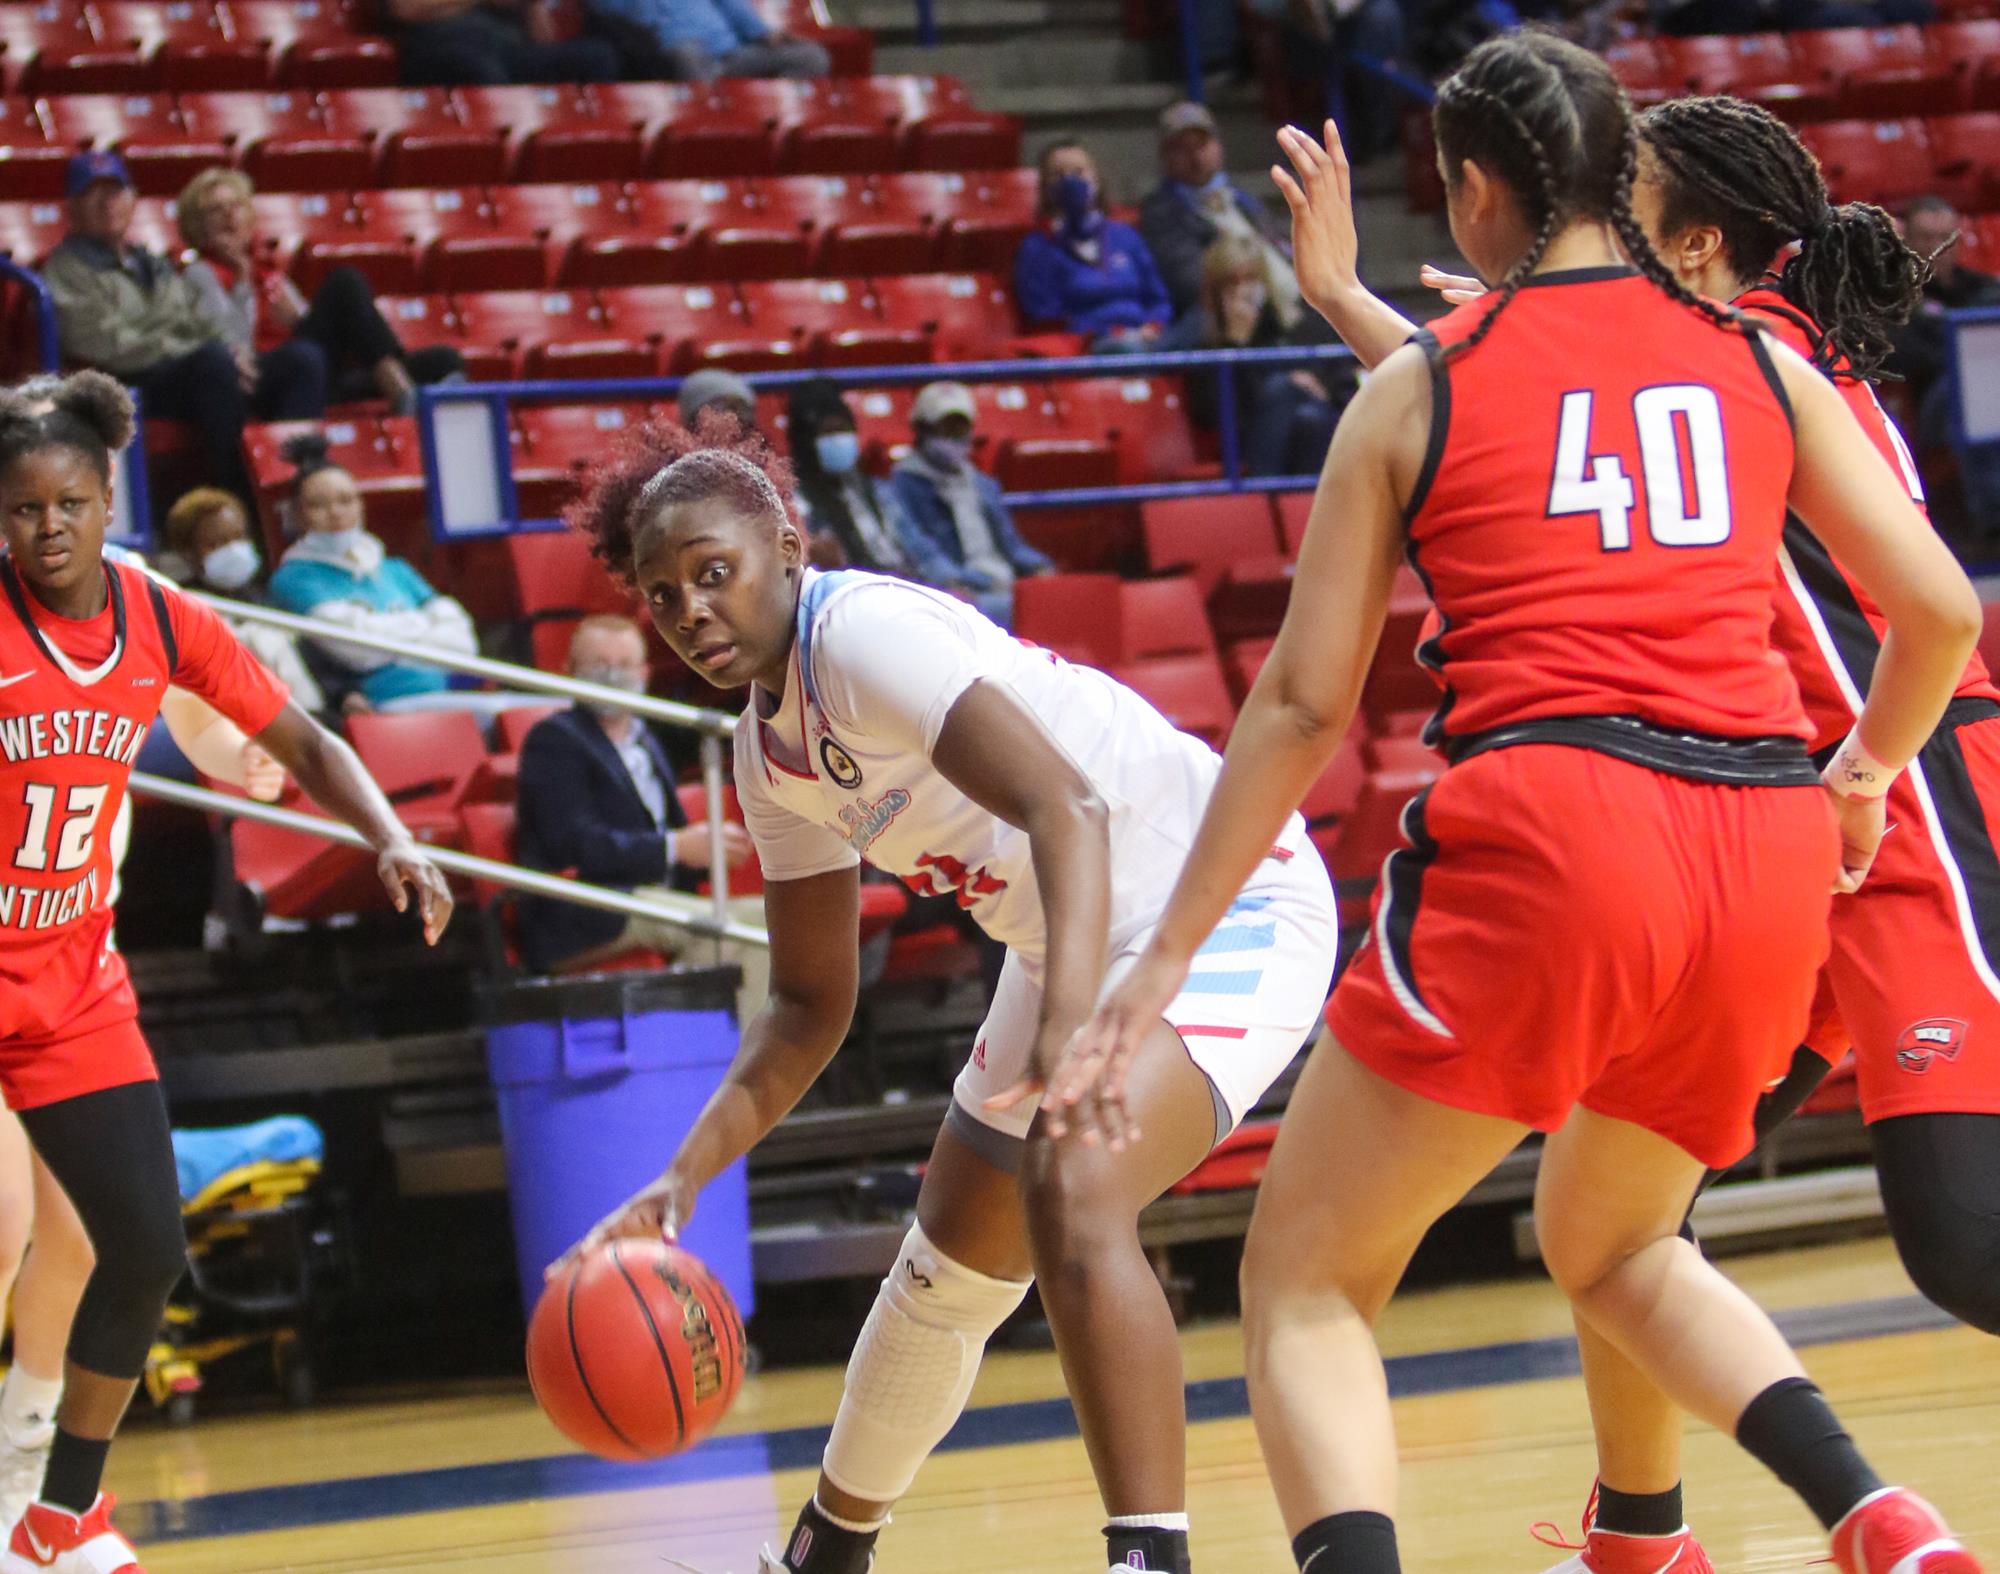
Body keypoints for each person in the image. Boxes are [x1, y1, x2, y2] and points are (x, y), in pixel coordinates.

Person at [1063, 33, 1985, 1574]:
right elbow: (1940, 611)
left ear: (1473, 188)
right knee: (1618, 1238)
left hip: (1559, 830)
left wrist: (1158, 967)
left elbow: (1300, 707)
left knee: (1305, 1281)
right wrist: (1866, 770)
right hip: (1762, 853)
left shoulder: (1428, 385)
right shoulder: (1748, 351)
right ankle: (1883, 1528)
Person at [550, 412, 1338, 1574]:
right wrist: (680, 1178)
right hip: (1066, 936)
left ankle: (1149, 1560)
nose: (692, 611)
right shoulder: (764, 758)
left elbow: (1064, 809)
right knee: (946, 1258)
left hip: (1222, 899)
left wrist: (1069, 1032)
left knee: (1069, 1181)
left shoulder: (863, 634)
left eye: (712, 573)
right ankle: (827, 1554)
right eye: (664, 596)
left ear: (786, 544)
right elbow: (809, 1008)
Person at [0, 371, 449, 1573]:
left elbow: (299, 736)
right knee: (1, 1232)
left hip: (74, 979)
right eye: (21, 509)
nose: (46, 528)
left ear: (109, 503)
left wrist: (389, 834)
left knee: (142, 1248)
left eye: (70, 503)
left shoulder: (154, 614)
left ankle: (56, 1515)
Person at [39, 153, 313, 511]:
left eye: (115, 192)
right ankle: (240, 505)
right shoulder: (66, 269)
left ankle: (300, 488)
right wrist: (197, 350)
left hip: (187, 372)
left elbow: (195, 320)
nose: (107, 202)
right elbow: (103, 343)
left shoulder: (150, 262)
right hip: (125, 384)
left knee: (302, 360)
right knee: (213, 365)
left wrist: (232, 350)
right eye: (93, 193)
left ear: (132, 200)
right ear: (72, 207)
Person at [515, 614, 751, 974]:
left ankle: (723, 1029)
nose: (612, 676)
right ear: (570, 670)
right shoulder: (554, 739)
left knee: (766, 923)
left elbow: (673, 834)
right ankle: (695, 1026)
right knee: (734, 931)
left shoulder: (646, 740)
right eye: (599, 664)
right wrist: (675, 848)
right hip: (591, 909)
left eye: (624, 665)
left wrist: (710, 849)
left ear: (644, 674)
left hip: (655, 898)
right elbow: (571, 843)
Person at [177, 169, 466, 417]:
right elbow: (231, 350)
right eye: (216, 210)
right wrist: (241, 282)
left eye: (236, 205)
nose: (230, 216)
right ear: (198, 226)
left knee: (443, 359)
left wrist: (297, 322)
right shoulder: (200, 275)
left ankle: (426, 406)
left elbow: (307, 328)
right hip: (273, 378)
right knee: (344, 283)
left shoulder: (269, 273)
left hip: (314, 371)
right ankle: (399, 390)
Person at [265, 434, 491, 717]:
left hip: (443, 695)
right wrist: (423, 627)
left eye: (346, 500)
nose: (336, 513)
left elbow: (463, 643)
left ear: (361, 506)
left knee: (530, 714)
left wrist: (384, 636)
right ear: (297, 514)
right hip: (375, 708)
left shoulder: (395, 568)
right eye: (318, 504)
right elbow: (358, 652)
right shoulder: (294, 578)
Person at [886, 382, 1054, 630]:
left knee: (1056, 598)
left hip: (1002, 580)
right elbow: (919, 551)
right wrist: (954, 581)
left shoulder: (982, 483)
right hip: (957, 590)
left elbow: (1011, 544)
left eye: (960, 428)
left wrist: (1040, 567)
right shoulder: (902, 485)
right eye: (946, 429)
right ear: (923, 429)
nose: (955, 437)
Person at [1185, 234, 1350, 477]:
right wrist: (1235, 343)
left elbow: (1332, 384)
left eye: (1250, 280)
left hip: (1298, 430)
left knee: (1312, 419)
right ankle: (1264, 492)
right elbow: (1216, 414)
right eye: (1232, 284)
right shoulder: (1201, 340)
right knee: (1284, 387)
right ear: (1216, 291)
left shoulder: (1282, 327)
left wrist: (1315, 389)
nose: (1243, 292)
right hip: (1242, 441)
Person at [162, 487, 326, 716]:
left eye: (238, 537)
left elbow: (314, 664)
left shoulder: (265, 600)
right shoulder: (181, 610)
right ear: (187, 552)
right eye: (216, 544)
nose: (233, 549)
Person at [1892, 195, 2000, 541]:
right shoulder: (1894, 296)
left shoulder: (1984, 289)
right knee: (1960, 383)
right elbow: (1906, 356)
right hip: (1933, 406)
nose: (1938, 248)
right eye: (1927, 238)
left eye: (1946, 238)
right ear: (1907, 241)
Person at [1140, 101, 1302, 323]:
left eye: (1202, 144)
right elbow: (1189, 281)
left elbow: (1287, 250)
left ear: (1218, 145)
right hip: (1226, 317)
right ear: (1165, 155)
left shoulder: (1244, 200)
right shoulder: (1161, 212)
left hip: (1293, 308)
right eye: (1182, 148)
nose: (1195, 155)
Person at [1013, 139, 1175, 353]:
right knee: (1125, 348)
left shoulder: (1125, 236)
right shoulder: (1037, 247)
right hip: (1092, 345)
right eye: (1059, 175)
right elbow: (1045, 316)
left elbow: (1158, 298)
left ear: (1096, 180)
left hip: (1148, 337)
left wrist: (1152, 327)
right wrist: (1097, 331)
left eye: (1079, 172)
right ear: (1045, 187)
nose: (1071, 182)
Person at [785, 380, 914, 576]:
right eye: (828, 432)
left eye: (844, 430)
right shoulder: (793, 500)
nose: (838, 439)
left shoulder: (874, 489)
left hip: (903, 584)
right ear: (807, 441)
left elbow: (915, 544)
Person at [384, 0, 620, 87]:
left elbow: (543, 40)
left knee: (597, 57)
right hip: (444, 44)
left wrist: (533, 6)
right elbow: (406, 9)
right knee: (479, 66)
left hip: (508, 50)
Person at [580, 0, 829, 80]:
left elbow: (732, 5)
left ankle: (766, 124)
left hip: (733, 50)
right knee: (688, 58)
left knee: (813, 56)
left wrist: (764, 33)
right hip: (680, 52)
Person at [678, 368, 759, 437]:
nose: (740, 417)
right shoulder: (675, 453)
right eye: (730, 407)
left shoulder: (763, 450)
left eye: (744, 408)